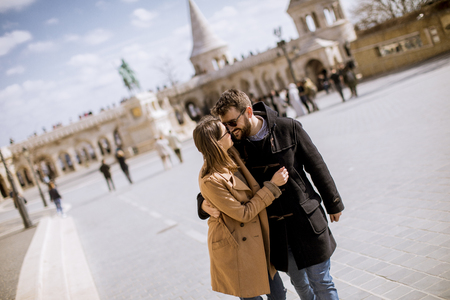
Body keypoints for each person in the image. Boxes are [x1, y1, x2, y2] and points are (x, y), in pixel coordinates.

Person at [199, 89, 345, 300]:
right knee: (301, 286)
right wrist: (202, 204)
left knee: (321, 281)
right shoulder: (234, 145)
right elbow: (213, 178)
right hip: (275, 231)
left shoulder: (288, 127)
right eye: (225, 126)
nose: (229, 131)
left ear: (248, 111)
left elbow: (316, 165)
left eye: (232, 123)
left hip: (307, 219)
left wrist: (334, 203)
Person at [193, 115, 289, 300]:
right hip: (236, 246)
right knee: (252, 297)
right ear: (215, 143)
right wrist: (272, 186)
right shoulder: (211, 179)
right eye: (224, 132)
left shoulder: (231, 153)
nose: (229, 132)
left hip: (255, 238)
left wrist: (201, 204)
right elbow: (244, 214)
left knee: (278, 295)